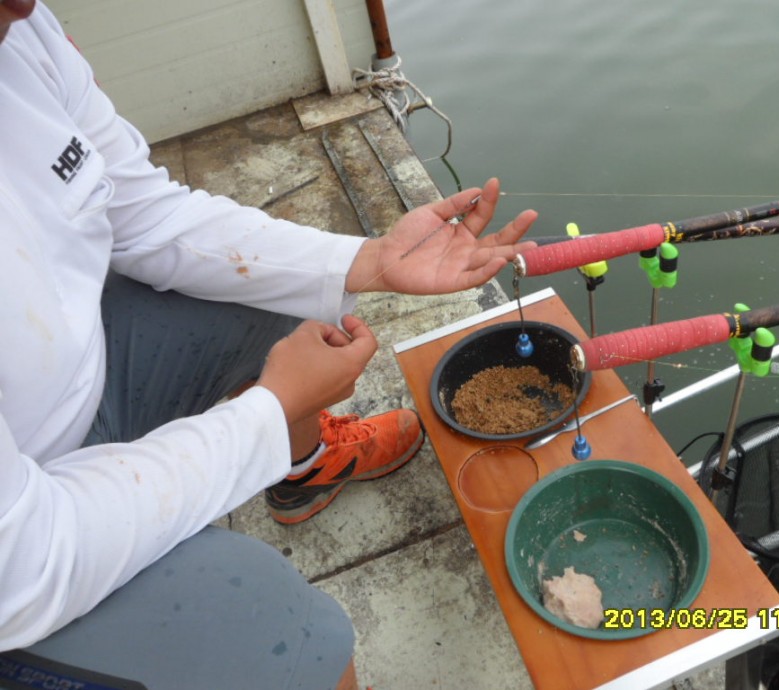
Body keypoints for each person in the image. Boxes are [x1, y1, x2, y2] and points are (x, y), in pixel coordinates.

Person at [0, 1, 538, 688]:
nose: (29, 6)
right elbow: (24, 563)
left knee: (274, 290)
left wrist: (368, 261)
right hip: (20, 556)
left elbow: (143, 215)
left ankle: (304, 468)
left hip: (66, 387)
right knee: (287, 634)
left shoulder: (21, 29)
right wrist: (265, 413)